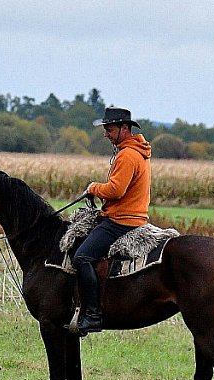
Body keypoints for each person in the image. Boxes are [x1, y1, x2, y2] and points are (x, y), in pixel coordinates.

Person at [73, 107, 152, 334]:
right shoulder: (136, 152)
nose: (106, 134)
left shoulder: (127, 155)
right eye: (105, 129)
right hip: (132, 217)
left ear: (124, 129)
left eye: (109, 129)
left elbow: (116, 190)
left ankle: (92, 315)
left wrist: (93, 187)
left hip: (120, 221)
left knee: (82, 257)